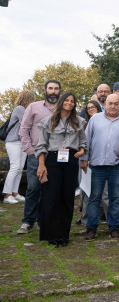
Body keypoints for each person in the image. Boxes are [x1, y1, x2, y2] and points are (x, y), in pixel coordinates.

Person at [34, 92, 86, 247]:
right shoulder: (48, 121)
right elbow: (41, 145)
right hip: (52, 160)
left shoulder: (79, 121)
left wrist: (81, 151)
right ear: (61, 102)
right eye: (67, 100)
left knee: (67, 197)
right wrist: (42, 165)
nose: (69, 103)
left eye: (72, 101)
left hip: (70, 160)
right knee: (51, 197)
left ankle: (64, 235)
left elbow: (83, 142)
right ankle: (52, 234)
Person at [82, 94, 119, 240]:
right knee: (94, 197)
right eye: (110, 103)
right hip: (96, 165)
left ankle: (114, 227)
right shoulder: (95, 119)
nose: (113, 106)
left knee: (115, 197)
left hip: (117, 165)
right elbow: (86, 140)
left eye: (116, 104)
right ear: (105, 103)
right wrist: (84, 159)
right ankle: (91, 228)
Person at [17, 79, 60, 234]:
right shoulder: (33, 107)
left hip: (56, 156)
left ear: (59, 91)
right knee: (34, 188)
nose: (53, 91)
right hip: (36, 153)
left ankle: (45, 221)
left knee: (50, 189)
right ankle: (28, 221)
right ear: (45, 90)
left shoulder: (63, 108)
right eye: (50, 88)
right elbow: (24, 129)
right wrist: (29, 150)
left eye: (56, 88)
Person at [3, 90, 34, 204]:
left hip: (22, 142)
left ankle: (15, 193)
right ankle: (7, 195)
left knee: (20, 168)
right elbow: (27, 124)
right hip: (13, 141)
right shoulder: (20, 109)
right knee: (15, 167)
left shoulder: (25, 110)